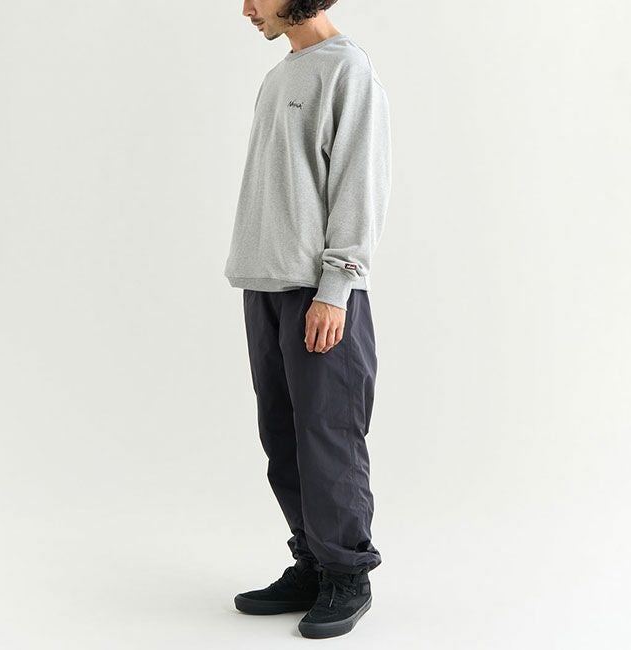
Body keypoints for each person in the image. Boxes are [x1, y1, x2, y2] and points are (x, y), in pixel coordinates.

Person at [224, 0, 392, 639]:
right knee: (283, 437)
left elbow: (359, 184)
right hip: (265, 285)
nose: (247, 9)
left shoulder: (348, 70)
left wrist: (337, 286)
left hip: (320, 293)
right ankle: (315, 563)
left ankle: (348, 572)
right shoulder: (280, 75)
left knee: (329, 437)